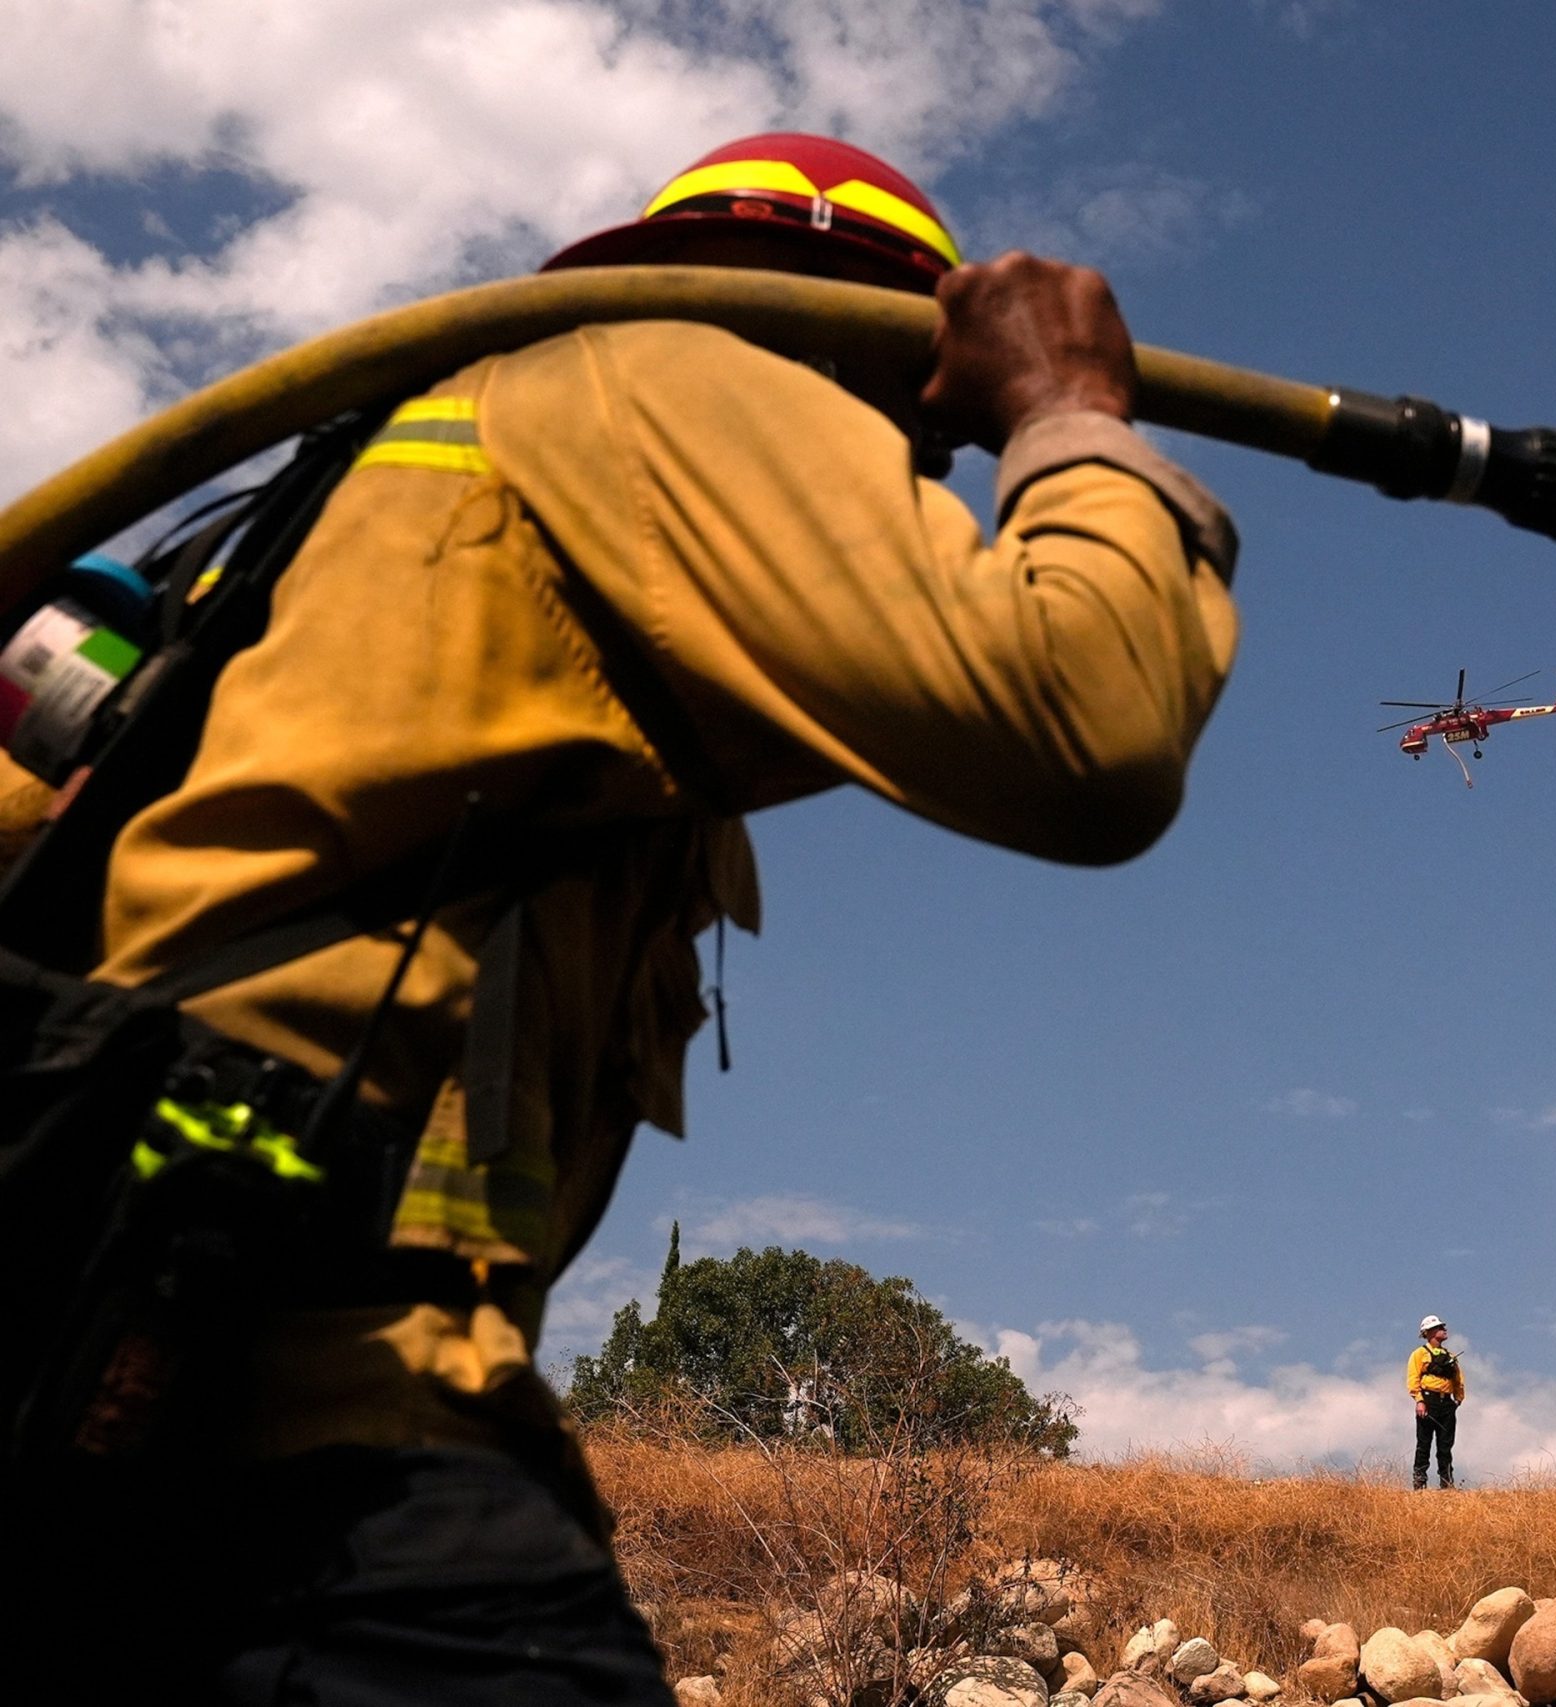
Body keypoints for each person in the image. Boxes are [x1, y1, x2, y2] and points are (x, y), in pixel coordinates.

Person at [11, 131, 1238, 1696]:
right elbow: (1090, 723)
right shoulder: (679, 383)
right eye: (918, 436)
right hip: (308, 1420)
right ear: (861, 333)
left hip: (108, 1380)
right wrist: (1069, 417)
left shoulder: (428, 479)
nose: (917, 476)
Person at [1407, 1313, 1464, 1489]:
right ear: (1430, 1332)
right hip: (1428, 1401)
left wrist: (1458, 1398)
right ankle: (1419, 1482)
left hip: (1447, 1404)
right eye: (1440, 1328)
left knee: (1445, 1445)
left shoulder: (1450, 1355)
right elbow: (1413, 1378)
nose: (1444, 1330)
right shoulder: (1419, 1354)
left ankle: (1447, 1483)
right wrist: (1419, 1400)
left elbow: (1458, 1378)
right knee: (1424, 1443)